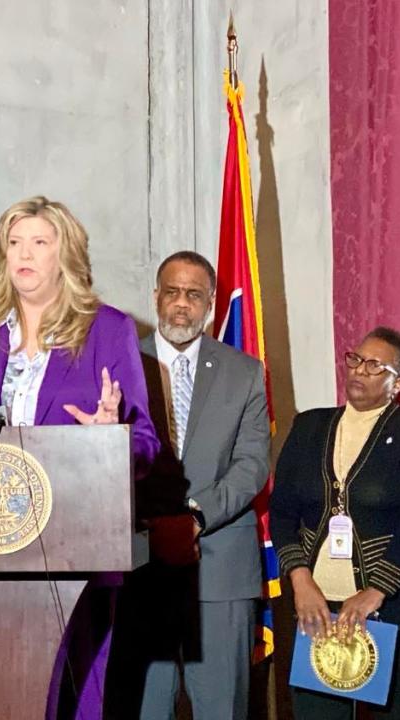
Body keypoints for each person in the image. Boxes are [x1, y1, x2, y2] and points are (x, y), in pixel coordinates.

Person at [0, 196, 160, 715]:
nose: (24, 252)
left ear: (64, 255)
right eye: (14, 242)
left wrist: (107, 439)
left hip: (75, 543)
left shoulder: (108, 328)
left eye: (40, 242)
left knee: (78, 699)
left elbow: (145, 444)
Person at [105, 251, 270, 719]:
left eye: (194, 295)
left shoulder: (245, 372)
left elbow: (252, 464)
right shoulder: (120, 363)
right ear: (155, 296)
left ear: (212, 304)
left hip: (219, 569)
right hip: (139, 567)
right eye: (172, 292)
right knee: (145, 709)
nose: (181, 304)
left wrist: (195, 517)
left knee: (221, 708)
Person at [271, 326, 400, 719]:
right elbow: (283, 511)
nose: (359, 370)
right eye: (355, 359)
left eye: (375, 365)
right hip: (318, 611)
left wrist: (377, 590)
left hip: (398, 611)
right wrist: (300, 579)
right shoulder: (309, 426)